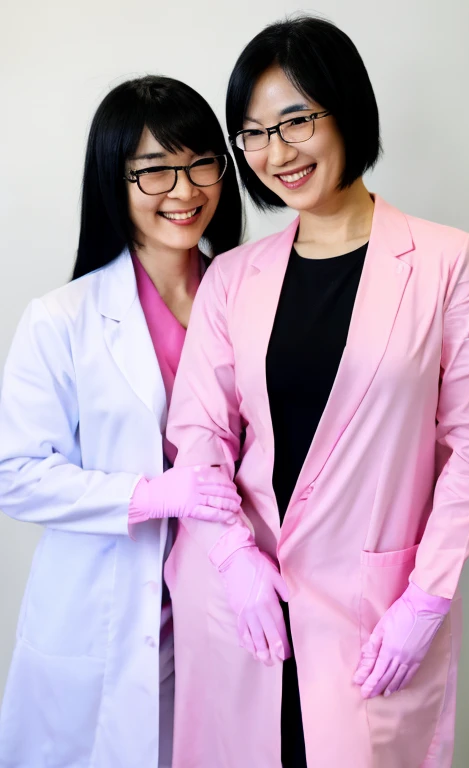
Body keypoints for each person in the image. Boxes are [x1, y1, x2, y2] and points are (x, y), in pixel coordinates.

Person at [163, 16, 469, 768]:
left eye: (296, 121)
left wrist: (427, 596)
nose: (275, 153)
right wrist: (232, 560)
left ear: (347, 110)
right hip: (240, 606)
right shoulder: (230, 278)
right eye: (252, 133)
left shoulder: (447, 262)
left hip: (372, 607)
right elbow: (199, 435)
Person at [0, 75, 243, 768]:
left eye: (201, 163)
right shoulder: (62, 318)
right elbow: (13, 474)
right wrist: (147, 496)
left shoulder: (249, 294)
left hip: (218, 604)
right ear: (116, 176)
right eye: (156, 169)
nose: (185, 188)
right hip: (101, 617)